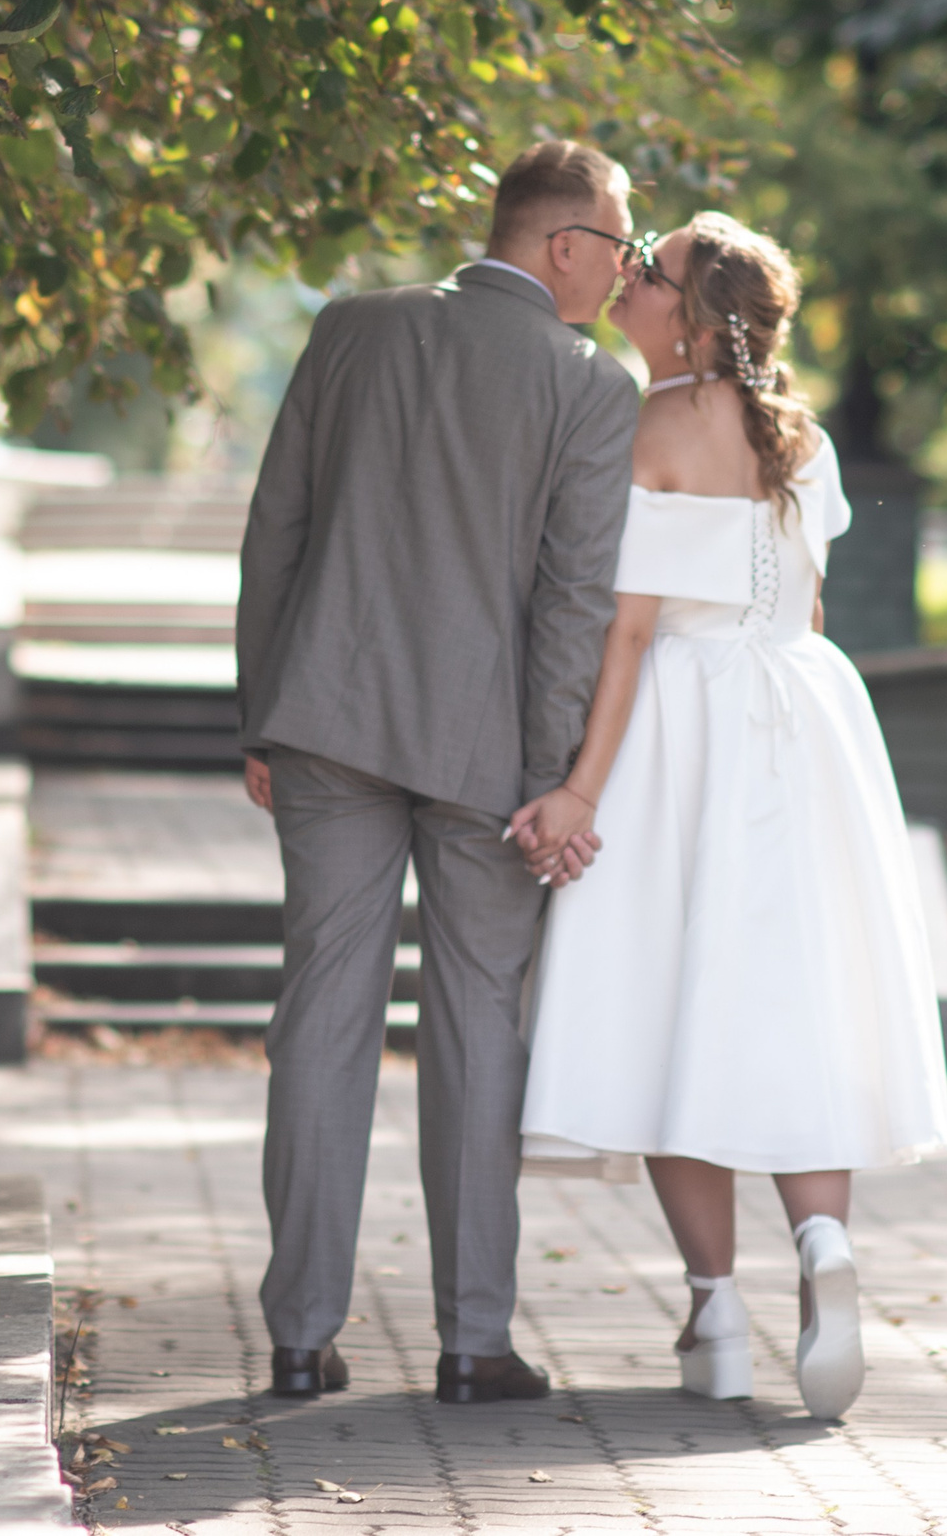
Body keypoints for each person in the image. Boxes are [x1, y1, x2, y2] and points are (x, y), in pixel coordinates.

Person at [510, 211, 947, 1418]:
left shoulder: (651, 424)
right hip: (805, 720)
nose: (627, 290)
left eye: (647, 279)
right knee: (794, 993)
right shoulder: (802, 439)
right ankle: (821, 1243)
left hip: (683, 725)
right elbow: (804, 612)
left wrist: (581, 788)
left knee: (673, 998)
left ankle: (714, 1311)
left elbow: (631, 631)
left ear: (694, 318)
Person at [235, 141, 639, 1404]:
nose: (625, 274)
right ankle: (473, 1343)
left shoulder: (350, 329)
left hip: (326, 725)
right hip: (487, 758)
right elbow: (574, 603)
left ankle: (299, 1337)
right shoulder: (589, 383)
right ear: (561, 245)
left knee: (323, 1015)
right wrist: (548, 780)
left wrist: (265, 717)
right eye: (620, 247)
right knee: (478, 1030)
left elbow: (275, 531)